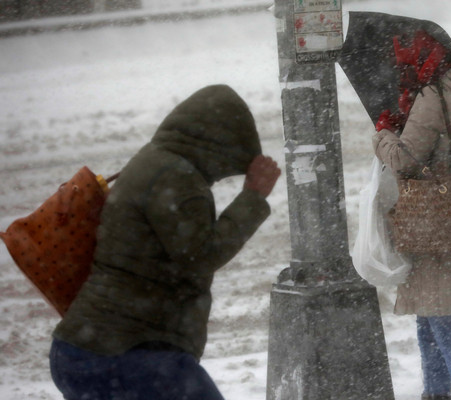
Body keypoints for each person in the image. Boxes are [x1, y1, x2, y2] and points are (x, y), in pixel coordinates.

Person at [49, 84, 281, 400]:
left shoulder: (152, 160)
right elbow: (200, 254)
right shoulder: (177, 177)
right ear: (216, 147)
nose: (219, 177)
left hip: (84, 351)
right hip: (130, 355)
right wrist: (252, 197)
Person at [372, 31, 451, 400]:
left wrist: (383, 135)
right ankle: (434, 392)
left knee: (445, 322)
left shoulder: (433, 97)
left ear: (422, 59)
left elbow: (403, 160)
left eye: (405, 63)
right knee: (431, 315)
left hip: (435, 225)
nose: (402, 72)